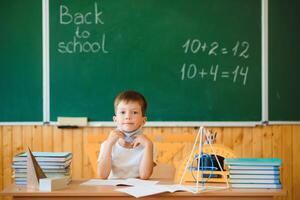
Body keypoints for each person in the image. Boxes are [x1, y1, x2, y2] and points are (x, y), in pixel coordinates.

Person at [97, 90, 155, 179]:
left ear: (143, 121)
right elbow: (102, 175)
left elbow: (145, 175)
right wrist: (109, 144)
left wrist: (148, 145)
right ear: (115, 120)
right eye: (123, 112)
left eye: (134, 112)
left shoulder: (148, 145)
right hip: (111, 191)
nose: (128, 116)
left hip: (138, 191)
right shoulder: (107, 144)